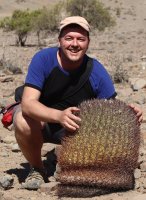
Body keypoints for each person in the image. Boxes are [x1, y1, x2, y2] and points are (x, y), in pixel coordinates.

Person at [13, 16, 143, 190]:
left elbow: (110, 108)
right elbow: (28, 103)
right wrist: (59, 116)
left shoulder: (96, 69)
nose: (74, 44)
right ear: (59, 40)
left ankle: (73, 164)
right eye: (69, 38)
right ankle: (38, 168)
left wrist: (127, 112)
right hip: (43, 123)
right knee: (22, 119)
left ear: (88, 43)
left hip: (76, 130)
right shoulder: (43, 59)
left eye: (81, 39)